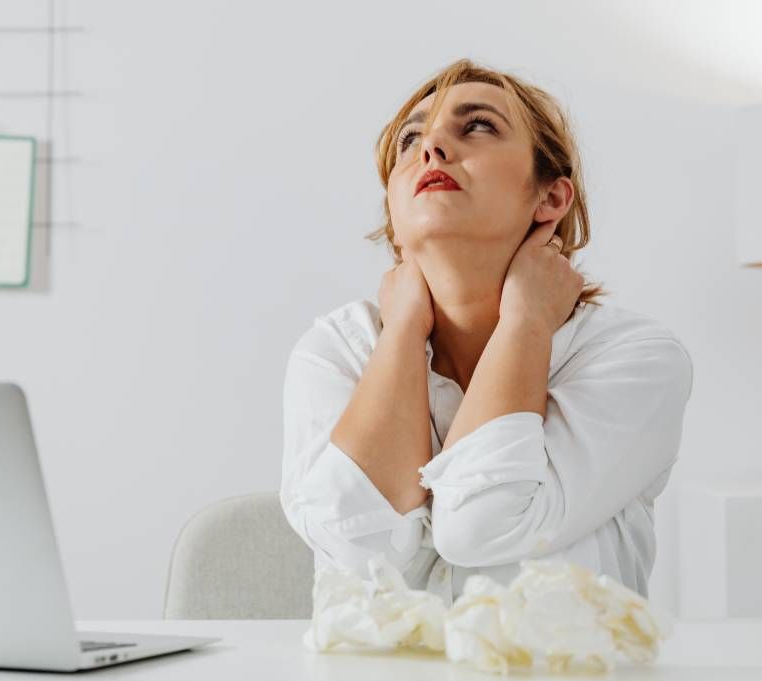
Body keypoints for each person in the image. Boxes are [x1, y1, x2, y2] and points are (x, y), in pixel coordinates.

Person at [280, 58, 694, 604]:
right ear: (392, 210)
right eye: (410, 139)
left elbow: (482, 525)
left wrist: (526, 319)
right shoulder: (336, 351)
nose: (432, 149)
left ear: (550, 198)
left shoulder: (635, 360)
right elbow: (358, 552)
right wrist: (403, 328)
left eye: (477, 125)